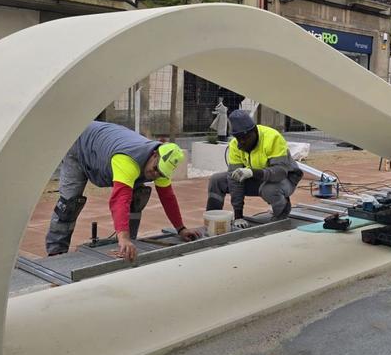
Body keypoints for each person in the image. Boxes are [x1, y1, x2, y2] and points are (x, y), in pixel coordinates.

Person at [46, 121, 201, 261]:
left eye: (160, 174)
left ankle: (127, 245)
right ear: (154, 154)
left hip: (105, 143)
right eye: (155, 170)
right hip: (80, 144)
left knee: (138, 195)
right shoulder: (128, 160)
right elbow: (119, 200)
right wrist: (123, 237)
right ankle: (55, 253)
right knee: (69, 204)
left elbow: (168, 197)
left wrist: (180, 228)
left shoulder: (161, 166)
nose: (156, 175)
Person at [206, 110, 303, 228]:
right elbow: (234, 181)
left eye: (245, 137)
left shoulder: (273, 138)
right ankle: (212, 219)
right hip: (256, 179)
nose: (242, 142)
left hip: (284, 180)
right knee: (217, 180)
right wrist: (238, 216)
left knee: (270, 190)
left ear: (254, 131)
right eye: (238, 138)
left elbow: (280, 172)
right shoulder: (236, 145)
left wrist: (252, 172)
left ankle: (282, 210)